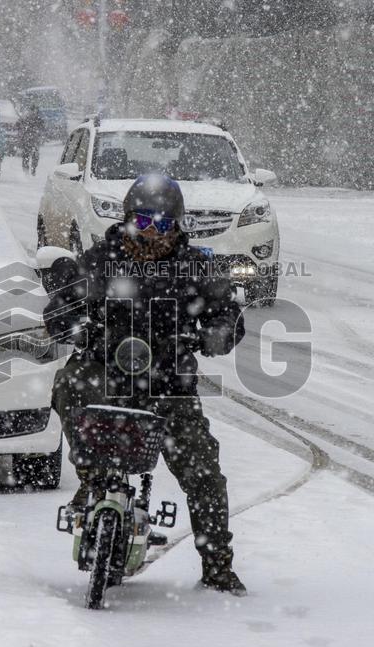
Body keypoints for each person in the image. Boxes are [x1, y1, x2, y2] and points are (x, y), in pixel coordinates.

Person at [43, 174, 247, 596]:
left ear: (179, 226)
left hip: (169, 381)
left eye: (163, 225)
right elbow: (62, 304)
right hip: (106, 372)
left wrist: (218, 331)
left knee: (203, 467)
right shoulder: (101, 259)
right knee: (69, 381)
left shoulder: (196, 266)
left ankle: (218, 566)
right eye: (143, 221)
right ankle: (89, 476)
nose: (152, 234)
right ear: (127, 219)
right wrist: (69, 320)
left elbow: (226, 313)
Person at [16, 104, 44, 175]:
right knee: (29, 156)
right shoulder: (32, 118)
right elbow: (18, 125)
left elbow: (18, 125)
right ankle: (28, 170)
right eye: (32, 110)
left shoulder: (35, 119)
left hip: (31, 140)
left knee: (30, 156)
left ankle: (30, 169)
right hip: (30, 140)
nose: (33, 112)